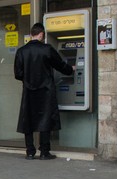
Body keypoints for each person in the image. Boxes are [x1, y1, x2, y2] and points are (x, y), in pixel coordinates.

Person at [14, 22, 75, 160]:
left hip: (29, 90)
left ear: (31, 34)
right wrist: (71, 69)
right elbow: (60, 65)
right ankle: (44, 152)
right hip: (46, 90)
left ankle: (30, 151)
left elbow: (18, 73)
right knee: (45, 118)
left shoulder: (21, 51)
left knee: (27, 119)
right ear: (41, 34)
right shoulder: (47, 49)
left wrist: (28, 79)